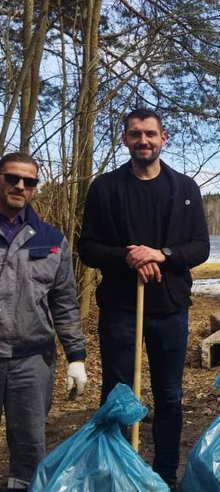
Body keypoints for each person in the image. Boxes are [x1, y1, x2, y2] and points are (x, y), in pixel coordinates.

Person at [78, 108, 210, 489]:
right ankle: (118, 472)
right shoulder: (105, 188)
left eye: (150, 134)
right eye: (135, 134)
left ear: (163, 138)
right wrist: (128, 256)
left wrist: (161, 255)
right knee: (118, 394)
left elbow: (199, 247)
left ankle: (165, 474)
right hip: (120, 307)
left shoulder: (185, 189)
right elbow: (87, 248)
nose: (143, 141)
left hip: (169, 309)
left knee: (169, 396)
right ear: (125, 140)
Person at [0, 152, 87, 491]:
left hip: (33, 360)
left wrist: (76, 357)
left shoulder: (51, 240)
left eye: (29, 181)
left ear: (35, 188)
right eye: (12, 178)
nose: (20, 186)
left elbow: (64, 302)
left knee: (29, 449)